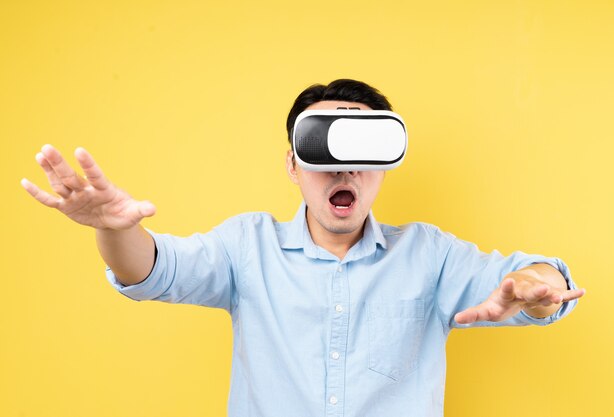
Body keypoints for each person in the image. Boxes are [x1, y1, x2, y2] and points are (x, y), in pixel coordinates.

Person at [22, 79, 585, 417]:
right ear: (294, 164)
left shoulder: (428, 255)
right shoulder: (247, 247)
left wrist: (538, 288)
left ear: (386, 166)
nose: (344, 167)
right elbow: (153, 271)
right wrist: (116, 228)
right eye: (322, 147)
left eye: (364, 147)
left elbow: (530, 282)